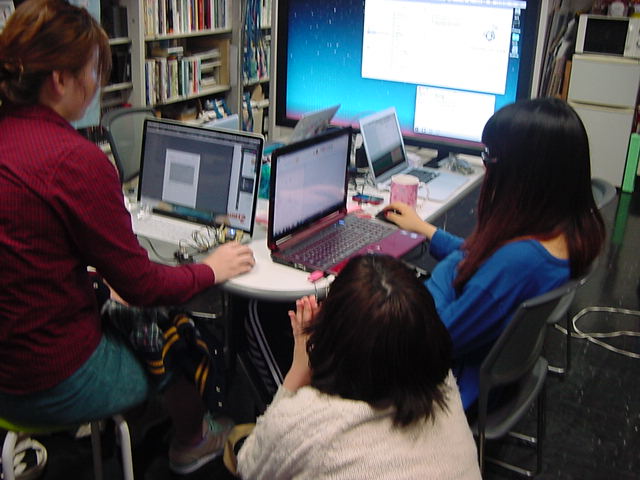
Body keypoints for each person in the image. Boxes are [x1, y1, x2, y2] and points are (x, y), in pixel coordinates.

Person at [0, 0, 255, 474]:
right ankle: (191, 441)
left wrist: (98, 281)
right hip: (51, 379)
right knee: (172, 329)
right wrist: (210, 269)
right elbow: (144, 286)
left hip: (10, 363)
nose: (97, 84)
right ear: (59, 79)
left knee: (117, 300)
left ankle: (147, 423)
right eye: (93, 71)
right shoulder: (74, 161)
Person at [381, 97, 606, 410]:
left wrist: (436, 274)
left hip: (449, 384)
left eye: (488, 155)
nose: (484, 165)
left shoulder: (518, 263)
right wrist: (426, 230)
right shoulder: (565, 231)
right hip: (488, 366)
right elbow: (483, 260)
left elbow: (435, 342)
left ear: (523, 172)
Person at [236, 255, 482, 479]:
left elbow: (249, 467)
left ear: (332, 336)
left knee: (238, 441)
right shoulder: (442, 383)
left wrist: (300, 366)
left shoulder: (309, 421)